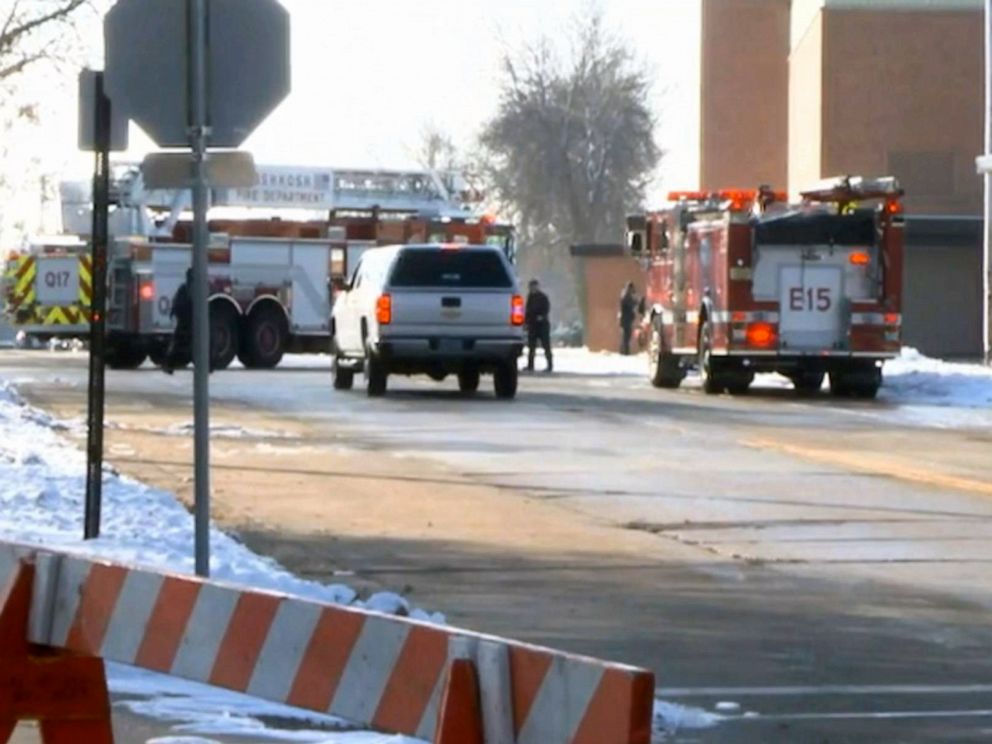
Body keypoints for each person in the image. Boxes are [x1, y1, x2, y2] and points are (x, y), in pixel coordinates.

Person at [162, 268, 193, 374]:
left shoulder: (184, 288)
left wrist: (174, 313)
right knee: (178, 343)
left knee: (177, 343)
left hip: (185, 321)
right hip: (188, 321)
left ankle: (169, 364)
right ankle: (169, 364)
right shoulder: (190, 289)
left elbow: (176, 303)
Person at [524, 278, 553, 372]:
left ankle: (550, 365)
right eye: (531, 287)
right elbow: (527, 311)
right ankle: (530, 365)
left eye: (534, 286)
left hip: (542, 324)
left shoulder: (543, 297)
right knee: (531, 346)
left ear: (537, 286)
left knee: (546, 345)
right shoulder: (530, 297)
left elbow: (547, 308)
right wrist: (526, 323)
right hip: (532, 324)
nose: (532, 288)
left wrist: (542, 316)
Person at [618, 281, 640, 355]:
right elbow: (631, 303)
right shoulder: (626, 295)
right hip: (625, 319)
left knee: (626, 335)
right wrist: (636, 301)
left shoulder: (626, 294)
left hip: (626, 318)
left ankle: (623, 351)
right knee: (626, 336)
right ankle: (625, 352)